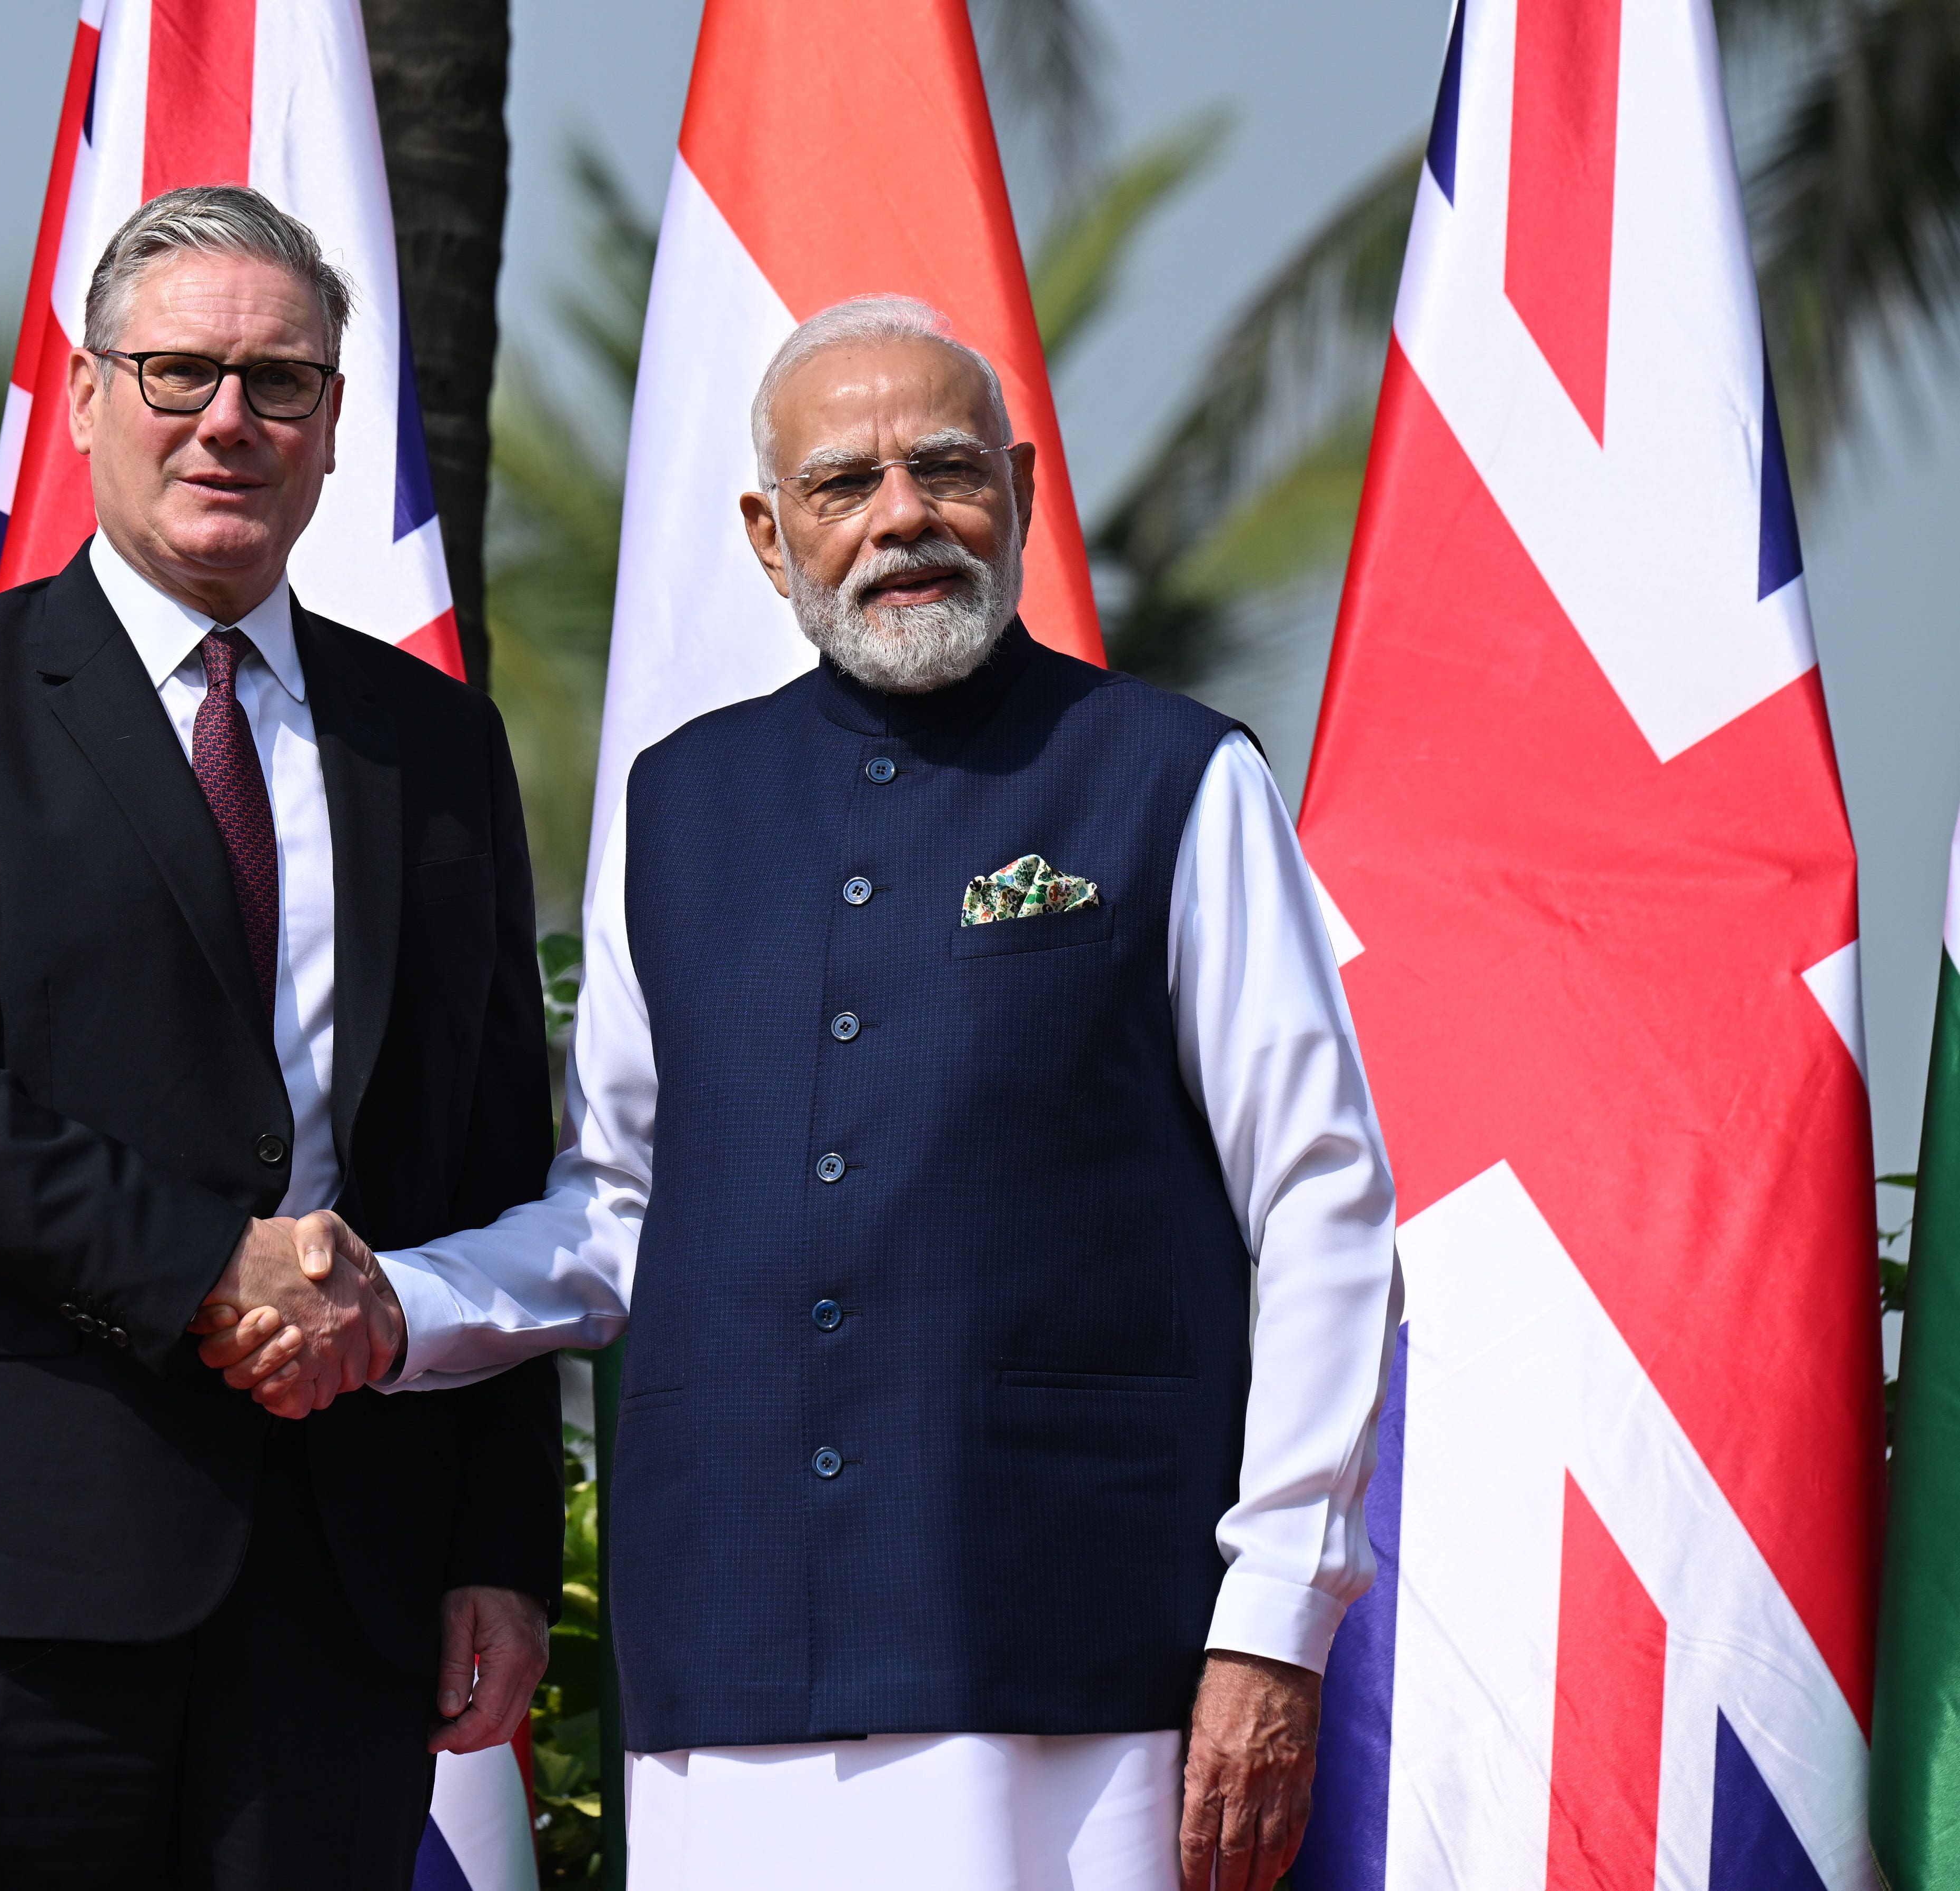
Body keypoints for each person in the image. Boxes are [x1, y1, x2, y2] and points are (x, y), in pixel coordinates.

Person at [204, 295, 1402, 1891]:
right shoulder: (676, 803)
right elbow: (618, 1210)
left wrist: (1274, 1620)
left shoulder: (1173, 777)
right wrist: (391, 1305)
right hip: (730, 1648)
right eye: (845, 485)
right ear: (770, 538)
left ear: (1023, 496)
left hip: (1064, 1642)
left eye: (945, 469)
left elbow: (1321, 1200)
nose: (902, 515)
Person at [0, 184, 563, 1891]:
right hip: (6, 1565)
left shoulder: (431, 743)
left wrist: (499, 1543)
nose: (227, 421)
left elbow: (492, 1159)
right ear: (83, 399)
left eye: (279, 383)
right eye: (178, 373)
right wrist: (210, 1266)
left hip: (344, 1585)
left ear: (336, 427)